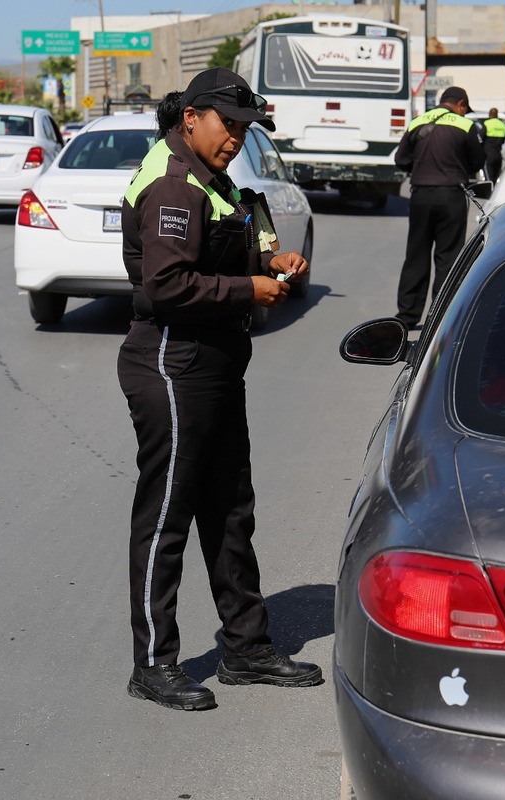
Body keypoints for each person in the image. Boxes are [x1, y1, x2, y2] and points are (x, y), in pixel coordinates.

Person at [116, 67, 322, 712]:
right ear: (191, 119)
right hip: (173, 360)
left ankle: (246, 647)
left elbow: (222, 251)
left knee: (231, 508)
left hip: (216, 360)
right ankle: (154, 663)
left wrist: (270, 262)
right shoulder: (173, 185)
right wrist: (247, 289)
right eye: (226, 125)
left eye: (243, 128)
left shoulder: (212, 178)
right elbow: (166, 285)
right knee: (168, 514)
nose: (235, 137)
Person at [393, 86, 486, 330]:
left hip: (421, 195)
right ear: (461, 104)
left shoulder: (417, 122)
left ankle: (407, 316)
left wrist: (420, 166)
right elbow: (478, 160)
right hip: (451, 196)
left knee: (416, 255)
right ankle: (440, 316)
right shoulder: (465, 125)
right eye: (465, 109)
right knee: (448, 257)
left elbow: (401, 159)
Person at [482, 107, 505, 181]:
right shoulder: (502, 125)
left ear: (489, 115)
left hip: (488, 155)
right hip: (498, 156)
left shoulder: (487, 124)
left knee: (489, 179)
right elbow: (503, 140)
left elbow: (481, 138)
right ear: (497, 115)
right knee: (496, 179)